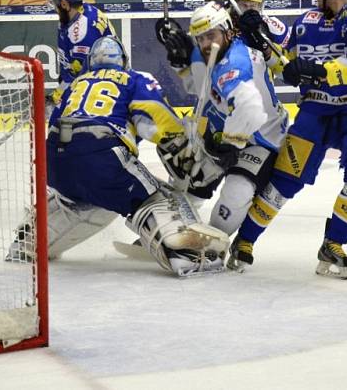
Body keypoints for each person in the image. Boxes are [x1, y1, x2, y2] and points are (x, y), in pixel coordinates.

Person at [12, 36, 229, 276]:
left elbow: (56, 125)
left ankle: (27, 242)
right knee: (158, 198)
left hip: (54, 162)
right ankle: (184, 255)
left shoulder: (77, 83)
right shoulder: (133, 78)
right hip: (102, 155)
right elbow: (153, 121)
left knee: (82, 200)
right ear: (123, 60)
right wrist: (182, 141)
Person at [230, 0, 347, 280]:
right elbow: (284, 61)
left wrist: (314, 70)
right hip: (316, 109)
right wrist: (255, 39)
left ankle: (334, 243)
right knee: (285, 180)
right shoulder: (306, 21)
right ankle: (243, 241)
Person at [154, 0, 288, 261]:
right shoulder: (206, 52)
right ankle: (170, 234)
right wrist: (179, 62)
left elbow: (250, 110)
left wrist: (229, 144)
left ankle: (208, 246)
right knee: (185, 180)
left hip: (260, 138)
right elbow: (198, 88)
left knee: (236, 193)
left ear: (228, 31)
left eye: (211, 35)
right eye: (200, 38)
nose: (205, 43)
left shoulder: (237, 62)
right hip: (222, 128)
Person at [47, 0, 116, 105]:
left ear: (64, 4)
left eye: (55, 3)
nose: (54, 8)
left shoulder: (81, 33)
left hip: (98, 93)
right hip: (92, 82)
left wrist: (56, 98)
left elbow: (80, 78)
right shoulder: (77, 12)